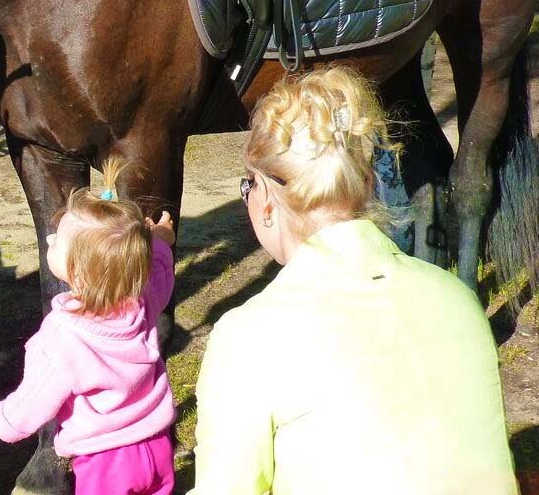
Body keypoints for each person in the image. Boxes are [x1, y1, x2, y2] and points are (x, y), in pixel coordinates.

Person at [190, 66, 517, 494]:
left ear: (266, 200)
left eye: (247, 187)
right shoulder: (458, 299)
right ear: (366, 183)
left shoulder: (247, 336)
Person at [0, 157, 178, 495]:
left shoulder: (62, 337)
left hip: (105, 462)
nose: (49, 241)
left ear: (78, 271)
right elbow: (159, 274)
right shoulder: (142, 302)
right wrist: (161, 243)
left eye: (57, 241)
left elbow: (35, 401)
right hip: (156, 444)